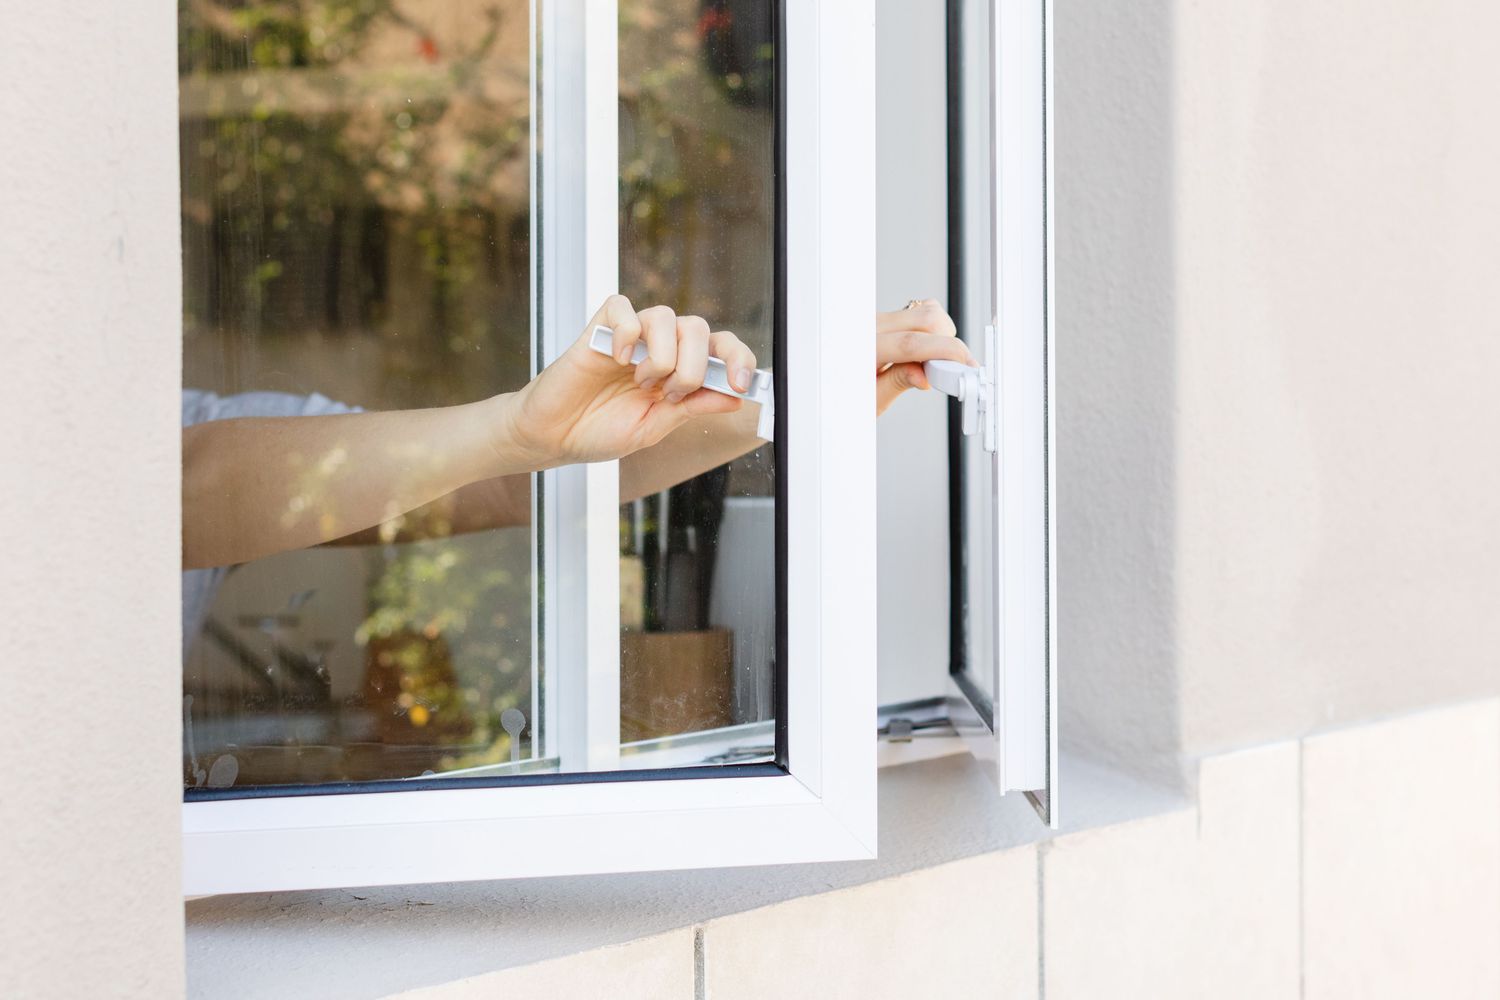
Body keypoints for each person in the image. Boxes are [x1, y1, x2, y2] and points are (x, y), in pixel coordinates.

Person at [181, 295, 970, 651]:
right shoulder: (154, 461)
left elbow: (491, 478)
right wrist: (520, 429)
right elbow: (177, 491)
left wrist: (778, 403)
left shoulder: (229, 428)